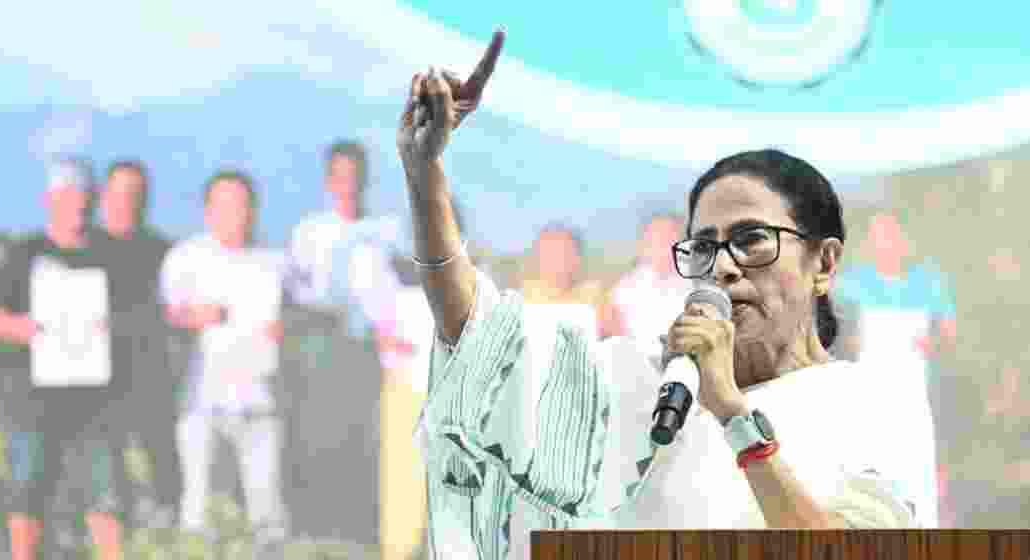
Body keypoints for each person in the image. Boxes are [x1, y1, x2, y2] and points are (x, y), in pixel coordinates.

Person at [397, 30, 929, 560]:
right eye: (704, 247)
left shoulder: (872, 402)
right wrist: (426, 177)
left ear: (824, 263)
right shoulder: (640, 382)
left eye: (750, 240)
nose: (722, 266)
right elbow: (482, 340)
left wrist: (733, 415)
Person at [0, 157, 125, 560]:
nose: (76, 204)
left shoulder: (110, 254)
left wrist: (110, 328)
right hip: (32, 395)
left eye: (83, 195)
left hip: (95, 396)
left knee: (105, 489)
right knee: (28, 487)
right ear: (48, 200)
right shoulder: (23, 253)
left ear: (94, 200)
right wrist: (19, 328)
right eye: (65, 195)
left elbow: (133, 316)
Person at [286, 140, 412, 545]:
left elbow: (405, 286)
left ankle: (363, 533)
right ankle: (320, 530)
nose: (347, 183)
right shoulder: (309, 232)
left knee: (368, 439)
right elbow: (293, 295)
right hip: (324, 345)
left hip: (372, 351)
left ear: (366, 178)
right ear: (328, 180)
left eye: (354, 174)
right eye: (339, 174)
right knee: (322, 438)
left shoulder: (386, 230)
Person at [159, 170, 289, 556]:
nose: (236, 213)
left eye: (243, 204)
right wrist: (192, 317)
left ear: (254, 210)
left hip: (261, 399)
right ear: (208, 211)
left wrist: (288, 328)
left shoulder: (273, 260)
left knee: (266, 507)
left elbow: (301, 313)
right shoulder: (185, 257)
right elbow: (164, 315)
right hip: (200, 401)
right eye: (225, 204)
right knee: (198, 504)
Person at [833, 211, 955, 526]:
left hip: (913, 399)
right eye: (876, 236)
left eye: (889, 235)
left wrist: (936, 344)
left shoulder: (928, 283)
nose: (882, 243)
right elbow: (827, 329)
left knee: (917, 485)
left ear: (904, 240)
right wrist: (848, 341)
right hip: (867, 396)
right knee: (868, 483)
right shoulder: (852, 283)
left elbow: (950, 335)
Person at [95, 160, 181, 532]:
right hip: (96, 378)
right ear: (103, 196)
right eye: (120, 193)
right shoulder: (84, 247)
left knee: (161, 454)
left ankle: (166, 525)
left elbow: (176, 312)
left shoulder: (165, 251)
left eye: (137, 194)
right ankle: (111, 528)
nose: (127, 202)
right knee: (106, 464)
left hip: (150, 374)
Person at [606, 213, 695, 341]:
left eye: (669, 238)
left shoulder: (696, 285)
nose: (663, 246)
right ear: (645, 244)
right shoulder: (625, 289)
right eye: (656, 239)